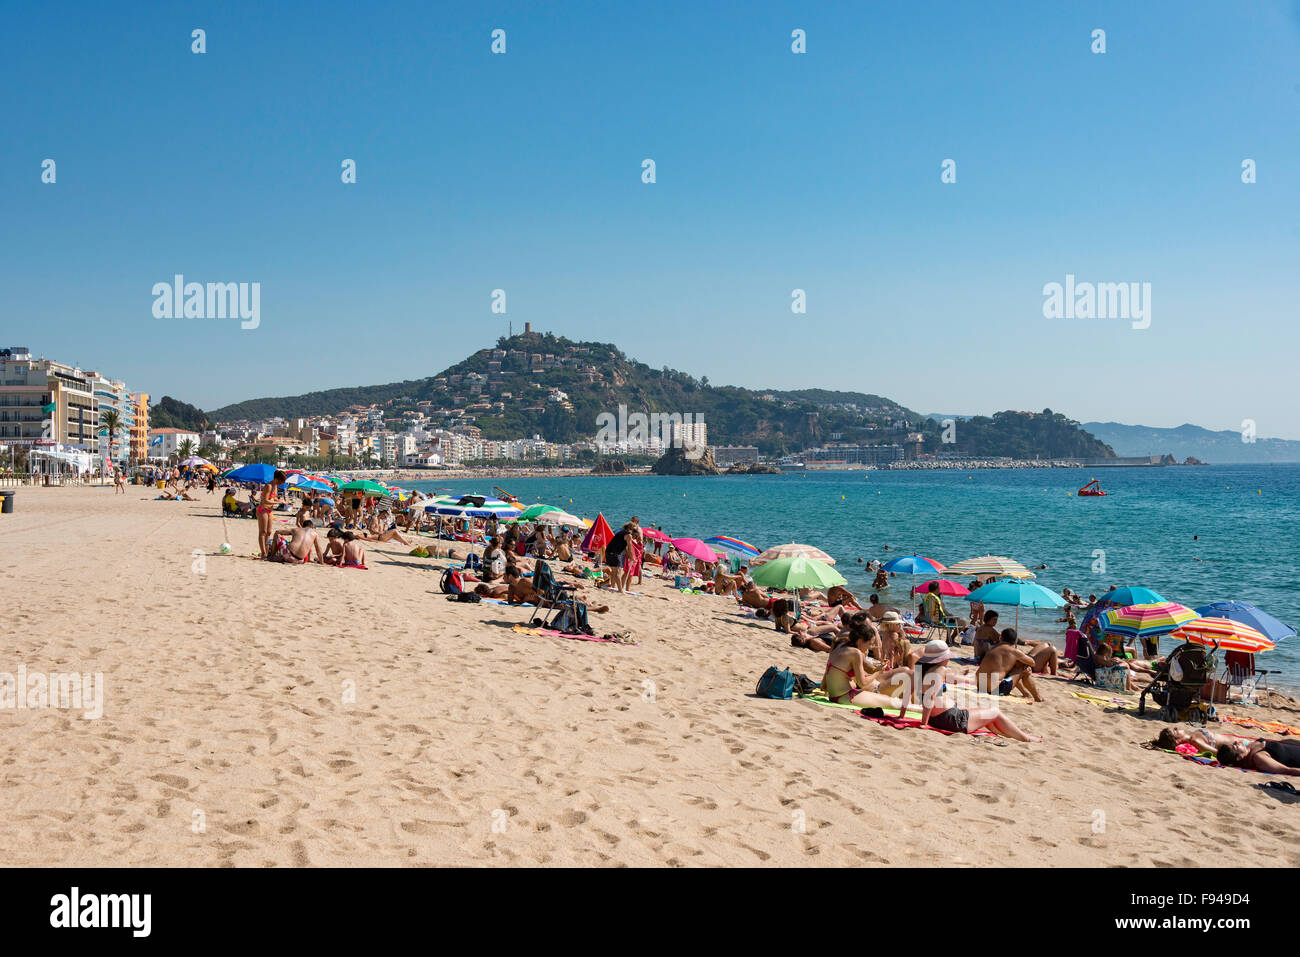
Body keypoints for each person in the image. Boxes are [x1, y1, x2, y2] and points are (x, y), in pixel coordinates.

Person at [910, 640, 1041, 741]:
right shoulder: (939, 671)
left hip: (941, 718)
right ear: (942, 658)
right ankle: (1026, 738)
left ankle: (1017, 735)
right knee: (994, 712)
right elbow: (930, 699)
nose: (949, 659)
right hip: (950, 720)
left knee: (986, 712)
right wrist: (924, 723)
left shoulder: (924, 672)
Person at [974, 629, 1043, 701]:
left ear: (1001, 638)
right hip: (995, 690)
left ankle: (1026, 694)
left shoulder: (993, 648)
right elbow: (1032, 663)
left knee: (1012, 668)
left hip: (981, 686)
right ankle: (1038, 697)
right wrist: (1018, 657)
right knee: (1025, 668)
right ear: (1015, 641)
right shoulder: (1014, 651)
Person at [1216, 737, 1300, 775]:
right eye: (1236, 746)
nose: (1237, 742)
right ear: (1239, 757)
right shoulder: (1259, 758)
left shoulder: (1250, 747)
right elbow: (1286, 770)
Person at [257, 470, 286, 559]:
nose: (282, 483)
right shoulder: (269, 486)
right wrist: (278, 502)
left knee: (269, 532)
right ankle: (263, 553)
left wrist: (281, 501)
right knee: (263, 532)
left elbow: (273, 498)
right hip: (263, 509)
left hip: (269, 510)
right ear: (277, 479)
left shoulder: (275, 486)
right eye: (282, 481)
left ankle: (267, 550)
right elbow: (265, 500)